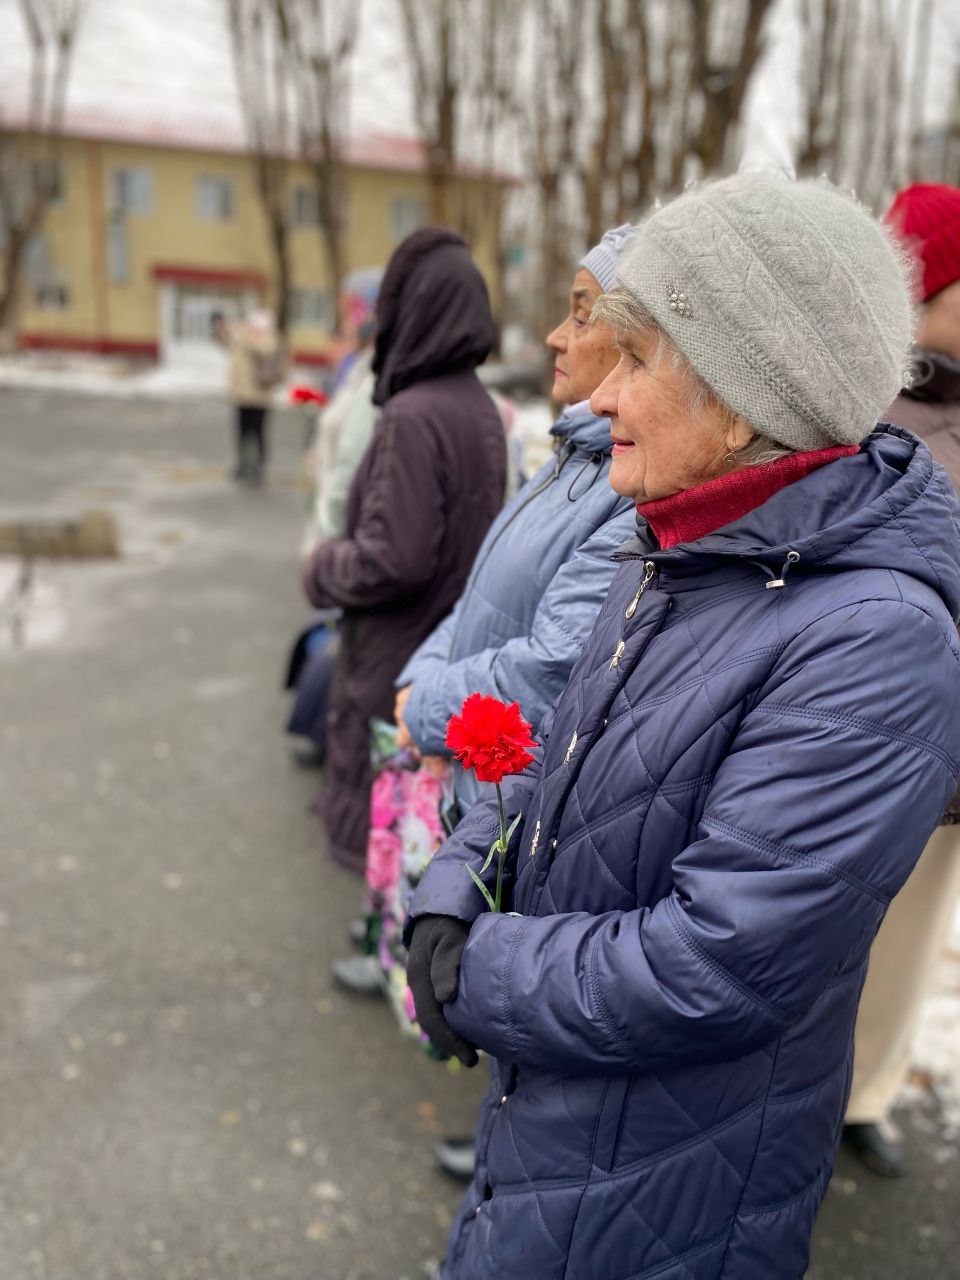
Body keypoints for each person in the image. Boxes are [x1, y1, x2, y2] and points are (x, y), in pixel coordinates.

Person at [406, 172, 960, 1280]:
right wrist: (450, 889)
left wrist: (478, 967)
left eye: (640, 357)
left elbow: (716, 961)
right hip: (562, 1122)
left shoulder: (874, 637)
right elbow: (553, 762)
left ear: (746, 397)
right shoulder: (678, 544)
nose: (602, 396)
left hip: (676, 1193)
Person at [330, 226, 637, 1036]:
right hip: (463, 743)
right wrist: (420, 686)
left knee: (475, 969)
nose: (553, 335)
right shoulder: (572, 454)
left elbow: (551, 665)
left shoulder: (623, 484)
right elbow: (477, 599)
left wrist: (422, 701)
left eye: (582, 314)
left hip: (499, 775)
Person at [301, 228, 507, 875]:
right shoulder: (478, 406)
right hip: (441, 641)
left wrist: (321, 567)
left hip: (393, 647)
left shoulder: (412, 415)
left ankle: (376, 950)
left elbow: (392, 557)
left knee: (381, 821)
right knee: (411, 817)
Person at [843, 181, 960, 1178]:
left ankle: (866, 1088)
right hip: (849, 709)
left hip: (948, 725)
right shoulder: (854, 394)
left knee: (917, 918)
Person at [213, 308, 286, 485]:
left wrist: (244, 334)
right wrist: (222, 328)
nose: (251, 328)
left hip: (260, 397)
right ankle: (242, 464)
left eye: (255, 326)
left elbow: (263, 350)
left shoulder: (271, 340)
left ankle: (259, 467)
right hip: (241, 395)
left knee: (259, 433)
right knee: (241, 432)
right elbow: (223, 341)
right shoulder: (241, 339)